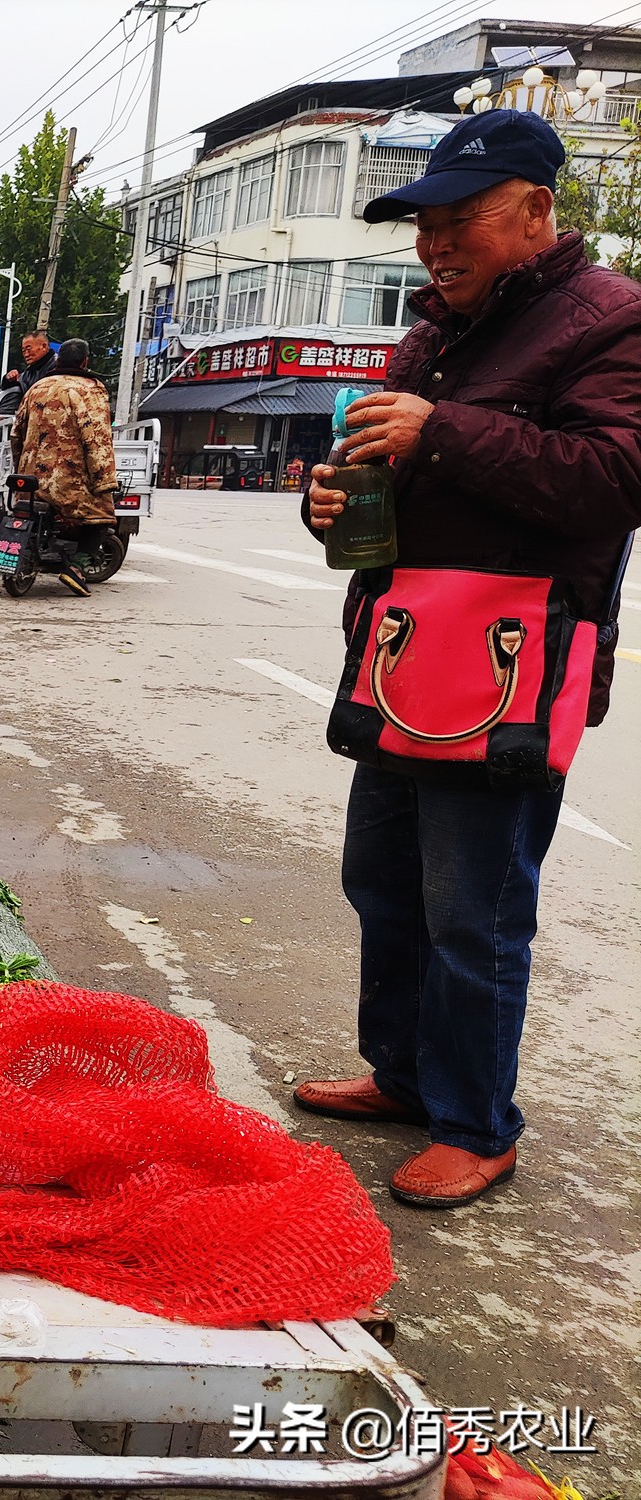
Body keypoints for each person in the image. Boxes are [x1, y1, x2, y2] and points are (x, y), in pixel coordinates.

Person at [294, 109, 641, 1208]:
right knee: (380, 878)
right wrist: (336, 504)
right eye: (422, 225)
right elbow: (396, 479)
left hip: (508, 662)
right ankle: (400, 1075)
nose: (433, 245)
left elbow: (609, 478)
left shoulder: (609, 322)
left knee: (471, 907)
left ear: (537, 211)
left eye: (460, 221)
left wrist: (435, 433)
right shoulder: (433, 330)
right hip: (404, 651)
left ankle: (473, 1121)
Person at [8, 338, 118, 596]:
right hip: (70, 482)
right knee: (102, 516)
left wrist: (20, 468)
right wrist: (104, 480)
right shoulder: (90, 389)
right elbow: (97, 438)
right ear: (85, 361)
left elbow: (16, 434)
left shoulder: (36, 387)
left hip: (31, 478)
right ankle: (77, 569)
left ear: (58, 360)